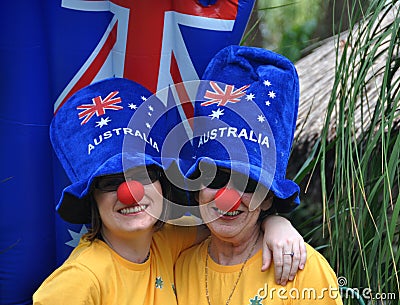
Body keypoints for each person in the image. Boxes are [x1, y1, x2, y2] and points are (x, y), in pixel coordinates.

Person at [33, 77, 306, 304]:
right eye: (110, 181)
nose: (131, 192)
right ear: (93, 196)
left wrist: (274, 221)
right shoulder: (78, 280)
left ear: (162, 184)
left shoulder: (170, 244)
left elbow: (230, 221)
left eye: (144, 173)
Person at [175, 45, 343, 304]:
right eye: (216, 177)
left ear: (267, 198)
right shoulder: (176, 266)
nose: (228, 197)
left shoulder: (306, 272)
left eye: (249, 183)